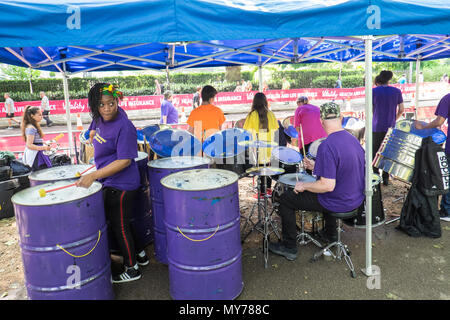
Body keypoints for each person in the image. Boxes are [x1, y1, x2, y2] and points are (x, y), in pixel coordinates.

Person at [268, 102, 365, 260]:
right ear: (340, 117)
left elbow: (327, 185)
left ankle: (289, 246)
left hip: (338, 200)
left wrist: (303, 185)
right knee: (327, 190)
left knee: (286, 199)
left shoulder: (327, 146)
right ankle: (330, 234)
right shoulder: (353, 139)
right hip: (356, 199)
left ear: (321, 121)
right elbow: (343, 168)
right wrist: (317, 165)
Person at [77, 83, 148, 283]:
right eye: (102, 104)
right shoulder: (98, 118)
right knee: (124, 222)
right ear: (94, 106)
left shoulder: (125, 126)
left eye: (111, 103)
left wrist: (94, 175)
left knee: (120, 226)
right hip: (109, 179)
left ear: (117, 101)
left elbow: (125, 160)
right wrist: (91, 136)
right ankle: (140, 255)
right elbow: (93, 132)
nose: (107, 108)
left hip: (122, 183)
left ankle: (132, 268)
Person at [414, 93, 450, 217]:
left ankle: (447, 211)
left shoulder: (448, 98)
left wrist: (423, 127)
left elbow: (439, 121)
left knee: (447, 178)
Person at [243, 92, 279, 196]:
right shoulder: (271, 114)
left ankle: (262, 192)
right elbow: (276, 129)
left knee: (260, 170)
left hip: (258, 149)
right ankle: (268, 189)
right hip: (270, 148)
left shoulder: (252, 115)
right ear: (265, 101)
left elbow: (247, 132)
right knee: (268, 168)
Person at [372, 70, 404, 186]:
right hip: (390, 127)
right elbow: (401, 110)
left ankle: (375, 177)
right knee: (388, 153)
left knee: (375, 152)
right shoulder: (396, 91)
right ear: (389, 79)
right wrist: (393, 119)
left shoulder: (373, 91)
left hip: (376, 127)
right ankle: (386, 178)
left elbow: (371, 109)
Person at [21, 105, 52, 171]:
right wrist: (44, 147)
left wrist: (44, 143)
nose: (42, 116)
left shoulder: (32, 126)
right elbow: (29, 145)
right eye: (39, 115)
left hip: (38, 154)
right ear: (32, 116)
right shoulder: (31, 128)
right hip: (36, 156)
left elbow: (35, 141)